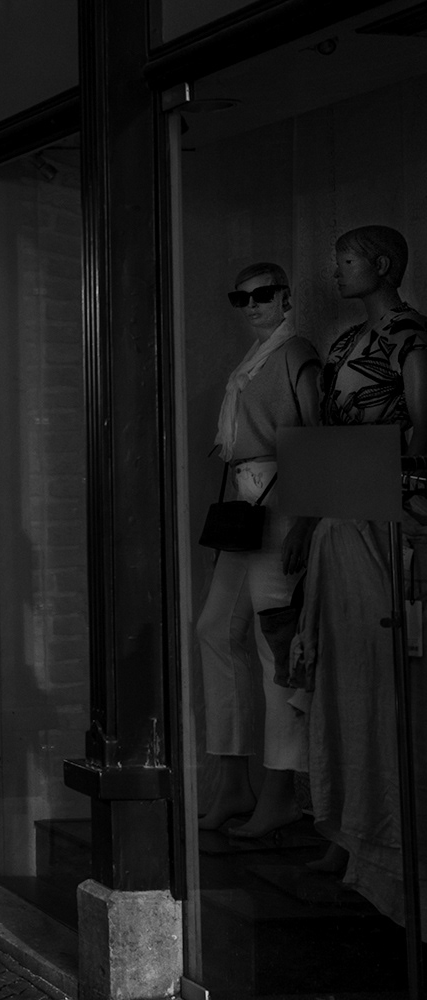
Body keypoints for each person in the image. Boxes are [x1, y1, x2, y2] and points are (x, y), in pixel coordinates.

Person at [292, 225, 427, 927]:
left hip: (387, 526)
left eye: (345, 260)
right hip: (342, 521)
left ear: (379, 265)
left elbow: (422, 437)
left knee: (383, 680)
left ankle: (390, 840)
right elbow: (322, 437)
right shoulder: (343, 346)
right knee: (341, 679)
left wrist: (413, 517)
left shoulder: (409, 339)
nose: (335, 270)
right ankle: (350, 828)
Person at [196, 262, 320, 836]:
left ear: (286, 298)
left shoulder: (295, 354)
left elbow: (312, 436)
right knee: (215, 630)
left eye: (262, 295)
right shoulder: (252, 361)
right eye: (239, 297)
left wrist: (306, 520)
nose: (251, 305)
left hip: (280, 500)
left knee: (276, 645)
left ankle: (281, 789)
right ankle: (232, 781)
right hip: (245, 509)